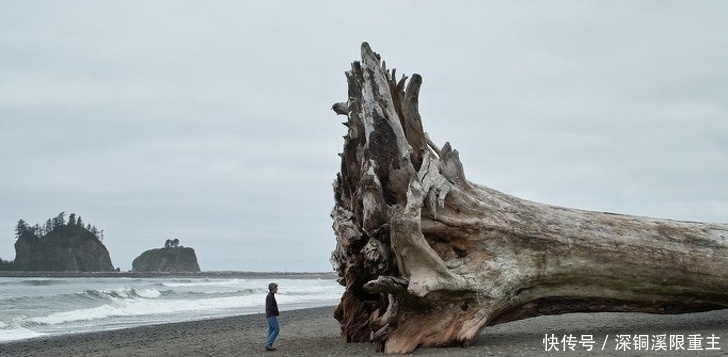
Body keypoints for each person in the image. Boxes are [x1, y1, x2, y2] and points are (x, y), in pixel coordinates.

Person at [265, 282, 279, 351]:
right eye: (276, 288)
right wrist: (276, 311)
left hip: (269, 314)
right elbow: (270, 307)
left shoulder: (271, 295)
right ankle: (268, 344)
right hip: (271, 315)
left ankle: (268, 344)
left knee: (271, 329)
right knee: (276, 329)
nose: (277, 289)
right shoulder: (270, 296)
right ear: (273, 288)